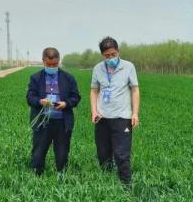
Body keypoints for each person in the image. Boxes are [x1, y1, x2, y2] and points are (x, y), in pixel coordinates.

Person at [90, 36, 140, 186]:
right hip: (102, 118)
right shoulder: (98, 68)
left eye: (113, 54)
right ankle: (108, 185)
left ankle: (126, 186)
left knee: (121, 154)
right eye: (107, 55)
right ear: (102, 55)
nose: (111, 58)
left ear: (118, 51)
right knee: (103, 154)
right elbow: (93, 91)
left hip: (122, 117)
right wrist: (94, 111)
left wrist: (135, 113)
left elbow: (135, 90)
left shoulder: (128, 67)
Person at [26, 47, 81, 175]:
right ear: (43, 61)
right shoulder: (36, 78)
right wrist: (40, 101)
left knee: (62, 153)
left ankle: (61, 175)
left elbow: (76, 97)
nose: (51, 66)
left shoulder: (68, 78)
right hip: (42, 122)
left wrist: (66, 103)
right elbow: (30, 97)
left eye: (54, 64)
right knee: (38, 152)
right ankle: (36, 175)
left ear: (58, 61)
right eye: (48, 64)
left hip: (62, 122)